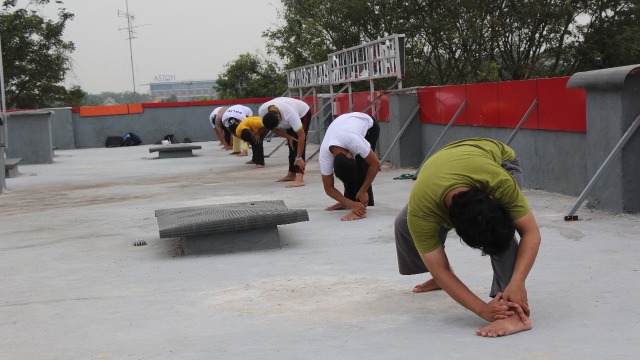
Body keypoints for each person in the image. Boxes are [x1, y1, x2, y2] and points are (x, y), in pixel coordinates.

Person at [394, 138, 541, 337]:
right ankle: (439, 281)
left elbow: (531, 233)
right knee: (403, 225)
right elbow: (441, 270)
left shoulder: (500, 183)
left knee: (499, 237)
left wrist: (517, 281)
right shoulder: (422, 213)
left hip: (500, 161)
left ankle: (513, 311)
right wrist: (481, 308)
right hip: (439, 175)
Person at [319, 112, 381, 221]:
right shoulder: (325, 156)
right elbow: (328, 188)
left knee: (363, 167)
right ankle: (349, 202)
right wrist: (348, 202)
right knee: (347, 173)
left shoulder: (354, 141)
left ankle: (361, 209)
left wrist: (363, 190)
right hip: (345, 125)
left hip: (368, 125)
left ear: (351, 156)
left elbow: (375, 164)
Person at [259, 97, 311, 188]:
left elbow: (301, 136)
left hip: (303, 114)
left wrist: (298, 157)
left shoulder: (290, 114)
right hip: (288, 112)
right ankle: (291, 174)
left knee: (297, 144)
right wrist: (288, 137)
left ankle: (299, 179)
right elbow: (272, 129)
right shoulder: (262, 111)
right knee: (291, 144)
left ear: (279, 116)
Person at [229, 116, 297, 168]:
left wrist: (258, 134)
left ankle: (260, 163)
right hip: (253, 130)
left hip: (263, 127)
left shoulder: (255, 123)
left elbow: (267, 126)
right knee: (253, 142)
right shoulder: (238, 132)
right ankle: (255, 159)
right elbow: (245, 140)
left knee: (257, 141)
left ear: (251, 132)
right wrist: (249, 142)